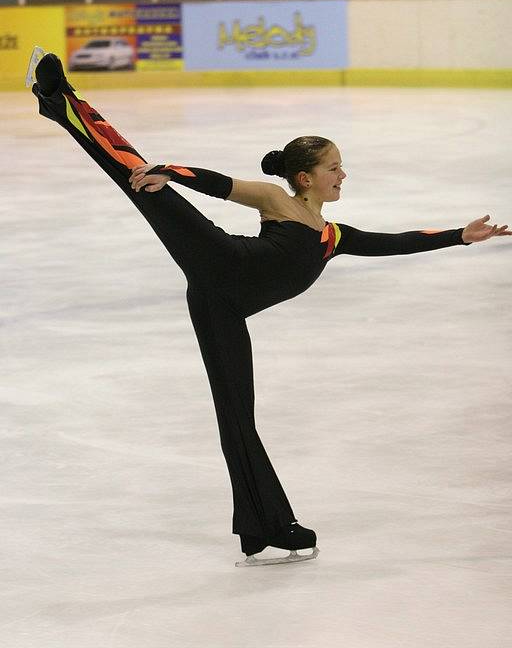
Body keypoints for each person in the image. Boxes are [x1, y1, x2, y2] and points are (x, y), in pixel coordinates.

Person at [28, 50, 510, 568]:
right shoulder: (278, 202)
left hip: (222, 309)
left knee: (238, 419)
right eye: (333, 167)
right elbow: (220, 185)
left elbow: (394, 241)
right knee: (138, 177)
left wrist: (460, 236)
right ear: (305, 178)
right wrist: (170, 172)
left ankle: (264, 529)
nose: (343, 174)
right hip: (218, 259)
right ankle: (59, 99)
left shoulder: (333, 236)